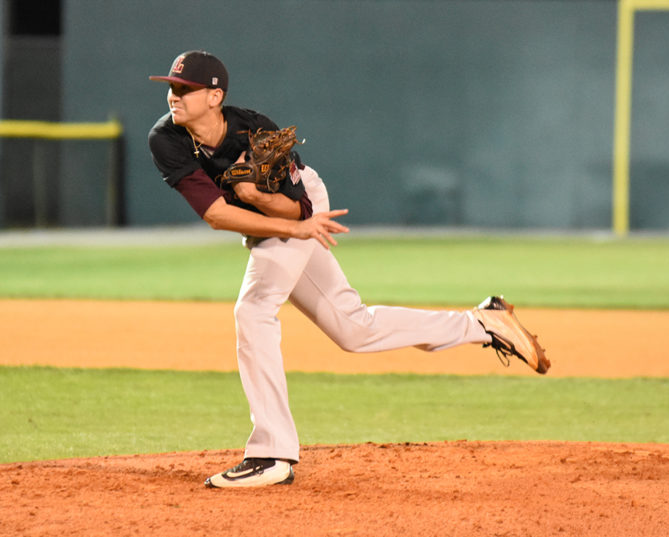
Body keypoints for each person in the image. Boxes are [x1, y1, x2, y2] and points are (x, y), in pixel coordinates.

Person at [147, 50, 549, 489]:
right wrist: (276, 220)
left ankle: (271, 453)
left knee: (254, 310)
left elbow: (296, 209)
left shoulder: (256, 129)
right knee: (354, 330)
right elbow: (218, 215)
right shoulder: (166, 139)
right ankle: (483, 323)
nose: (174, 96)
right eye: (172, 87)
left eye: (185, 89)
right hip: (277, 226)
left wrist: (273, 208)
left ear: (215, 96)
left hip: (303, 208)